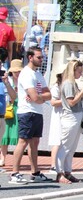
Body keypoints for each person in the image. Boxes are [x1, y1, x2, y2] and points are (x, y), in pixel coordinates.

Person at [8, 47, 52, 184]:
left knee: (35, 142)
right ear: (30, 57)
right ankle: (15, 173)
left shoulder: (38, 74)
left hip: (37, 111)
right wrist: (38, 97)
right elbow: (33, 97)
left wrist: (39, 97)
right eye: (39, 57)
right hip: (27, 111)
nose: (41, 60)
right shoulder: (26, 74)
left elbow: (48, 94)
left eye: (42, 57)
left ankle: (35, 173)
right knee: (23, 141)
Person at [56, 60, 83, 183]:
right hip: (70, 117)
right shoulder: (68, 84)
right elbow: (71, 102)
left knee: (71, 147)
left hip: (76, 116)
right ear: (73, 70)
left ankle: (67, 171)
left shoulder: (72, 83)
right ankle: (59, 172)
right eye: (79, 71)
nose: (80, 74)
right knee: (65, 146)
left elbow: (76, 100)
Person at [1, 59, 21, 167]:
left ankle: (16, 160)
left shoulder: (24, 81)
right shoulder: (7, 80)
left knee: (18, 135)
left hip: (19, 109)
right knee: (4, 135)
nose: (17, 73)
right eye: (15, 71)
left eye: (19, 71)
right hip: (8, 108)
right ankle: (2, 158)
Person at [47, 72, 63, 175]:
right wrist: (67, 100)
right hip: (58, 116)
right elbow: (53, 102)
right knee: (57, 140)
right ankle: (53, 165)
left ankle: (59, 165)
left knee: (63, 142)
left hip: (65, 116)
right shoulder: (56, 87)